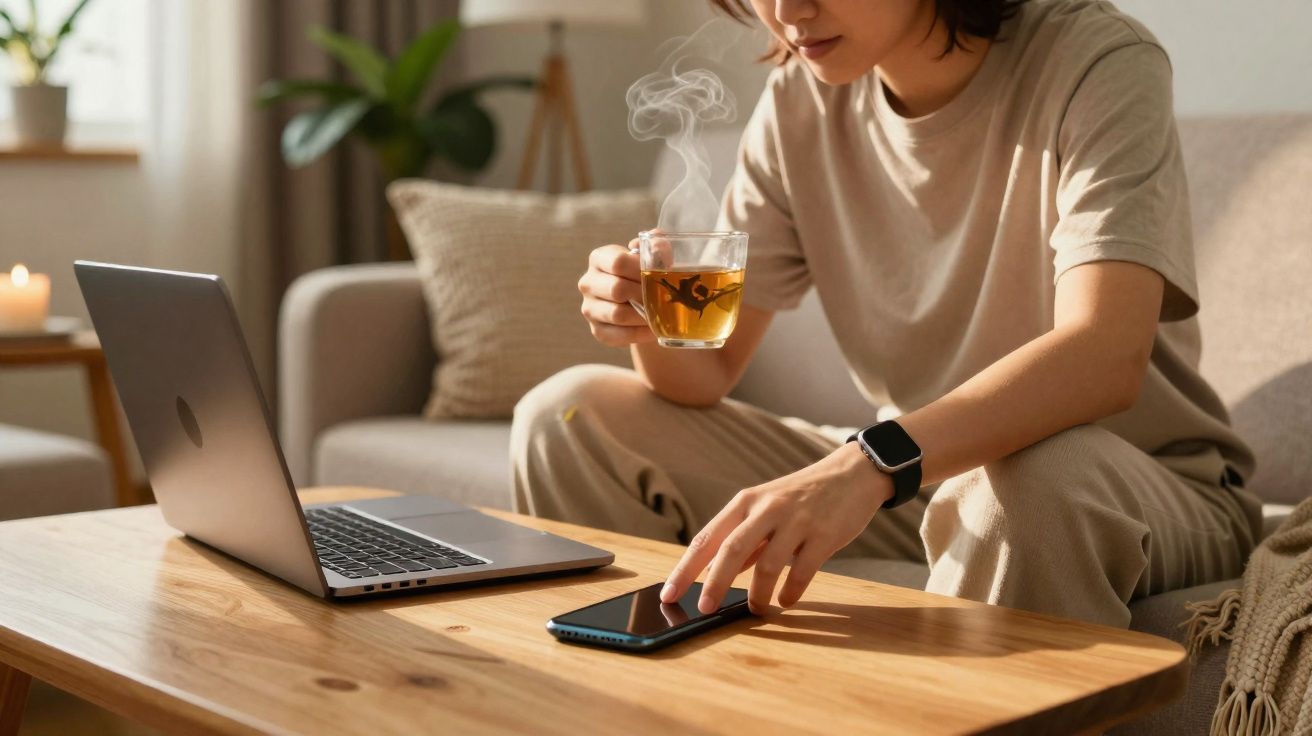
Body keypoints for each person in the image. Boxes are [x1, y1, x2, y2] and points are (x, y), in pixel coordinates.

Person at [510, 0, 1265, 628]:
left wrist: (870, 463)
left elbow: (1104, 355)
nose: (787, 11)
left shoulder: (1097, 60)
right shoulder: (799, 102)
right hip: (920, 480)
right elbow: (706, 373)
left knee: (1022, 488)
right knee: (569, 419)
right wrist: (645, 321)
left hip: (1129, 486)